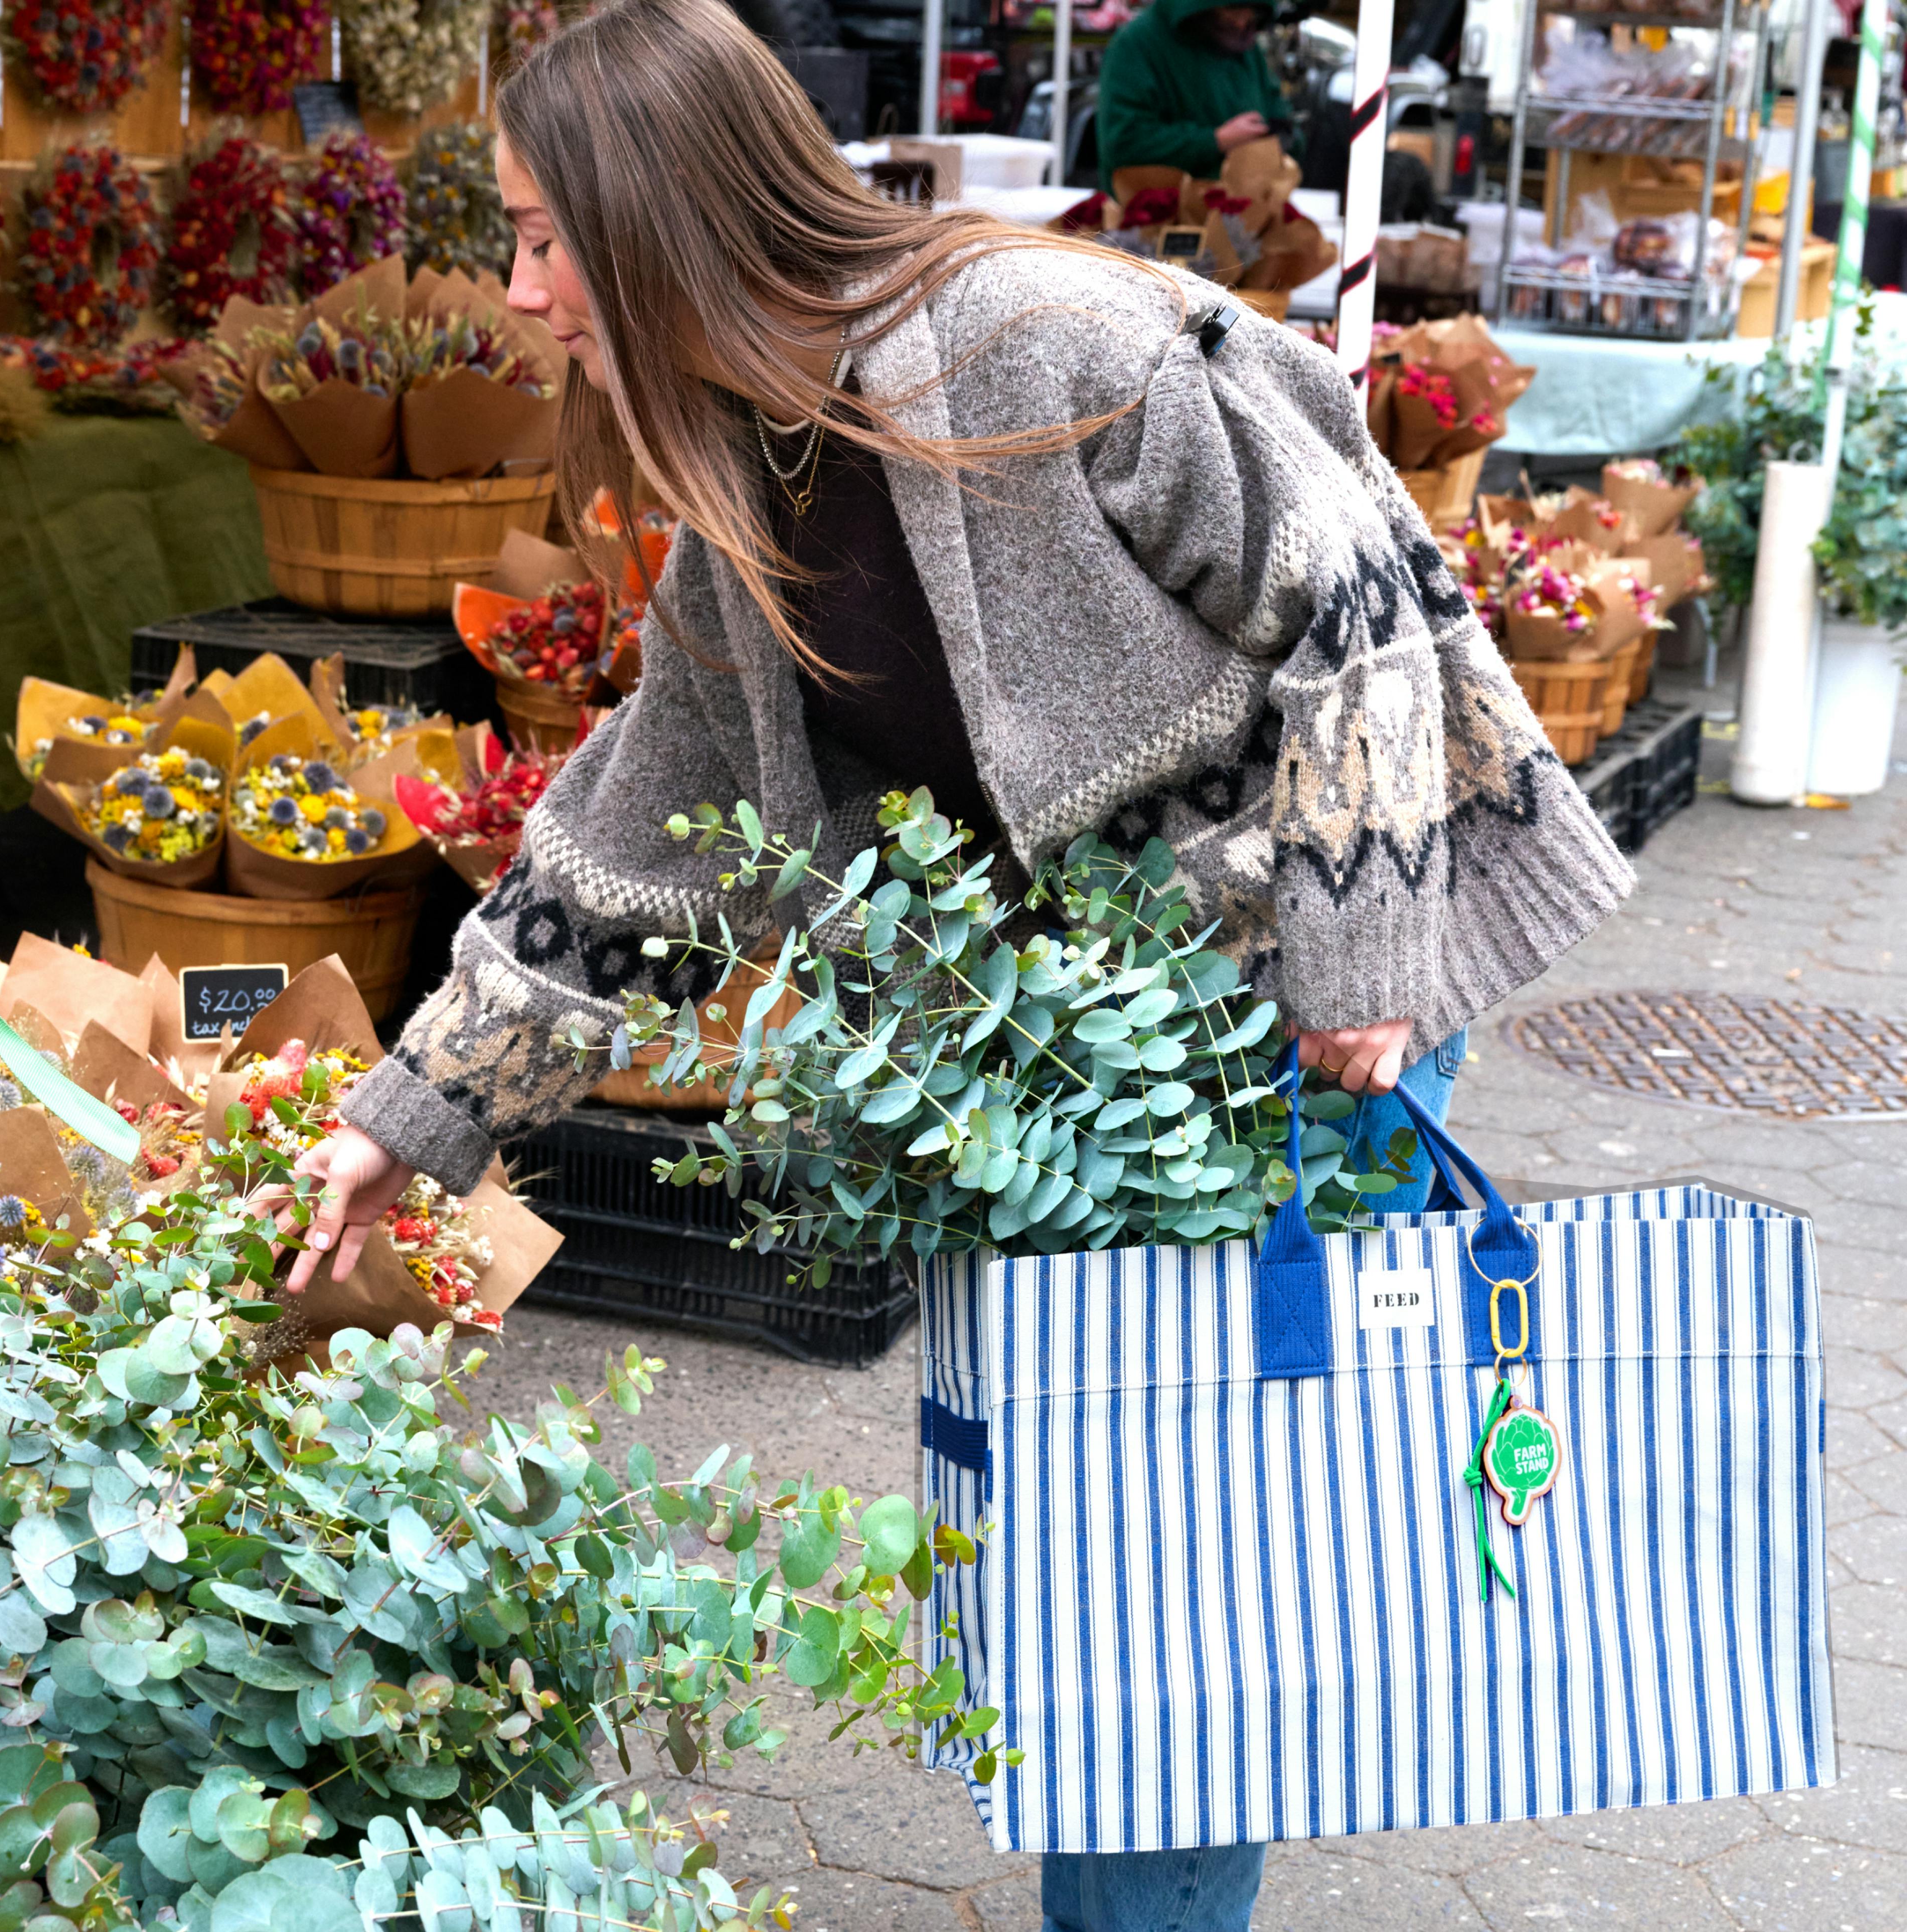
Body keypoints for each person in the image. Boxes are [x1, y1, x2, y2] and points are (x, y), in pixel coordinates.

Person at [283, 2, 1633, 1923]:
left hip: (1316, 994)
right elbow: (623, 833)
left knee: (1177, 1551)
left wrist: (1357, 957)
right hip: (1071, 1064)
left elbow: (1362, 596)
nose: (519, 293)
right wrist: (407, 1125)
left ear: (664, 217)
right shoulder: (746, 488)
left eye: (544, 233)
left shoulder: (1041, 343)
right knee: (1109, 1514)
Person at [1095, 0, 1299, 193]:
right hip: (1156, 219)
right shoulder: (1138, 43)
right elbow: (1123, 143)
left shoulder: (1243, 45)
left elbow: (1277, 110)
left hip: (1245, 214)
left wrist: (1280, 137)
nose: (1241, 21)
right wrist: (1215, 141)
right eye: (1232, 9)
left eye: (1251, 10)